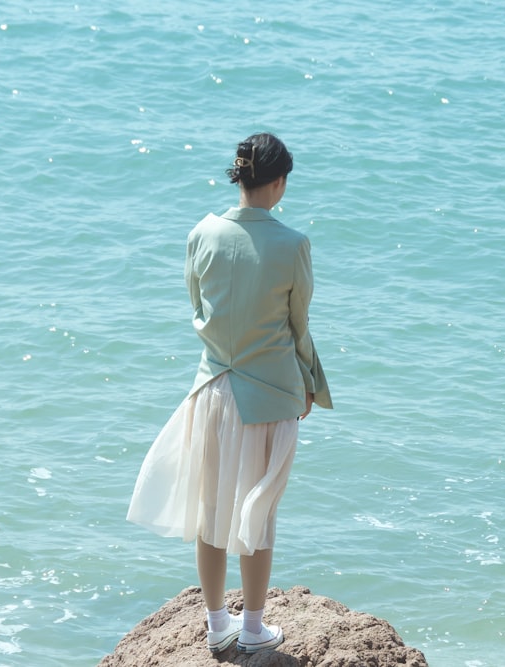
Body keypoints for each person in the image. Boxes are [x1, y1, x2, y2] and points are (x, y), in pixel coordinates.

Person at [127, 132, 332, 654]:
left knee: (211, 509)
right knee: (257, 513)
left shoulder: (201, 233)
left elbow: (198, 308)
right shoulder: (293, 245)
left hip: (213, 390)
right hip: (271, 395)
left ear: (238, 177)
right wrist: (312, 383)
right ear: (280, 181)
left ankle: (217, 622)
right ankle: (254, 628)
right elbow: (298, 326)